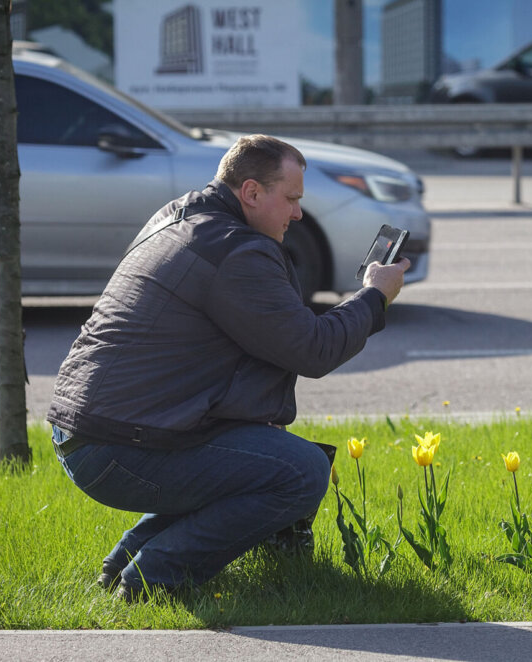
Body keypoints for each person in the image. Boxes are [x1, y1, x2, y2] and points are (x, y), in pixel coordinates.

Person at [47, 134, 409, 601]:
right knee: (299, 470)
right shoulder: (237, 252)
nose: (298, 214)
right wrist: (374, 296)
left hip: (92, 433)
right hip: (117, 448)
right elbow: (313, 348)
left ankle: (122, 568)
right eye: (292, 199)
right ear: (252, 193)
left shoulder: (180, 216)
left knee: (259, 449)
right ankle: (153, 580)